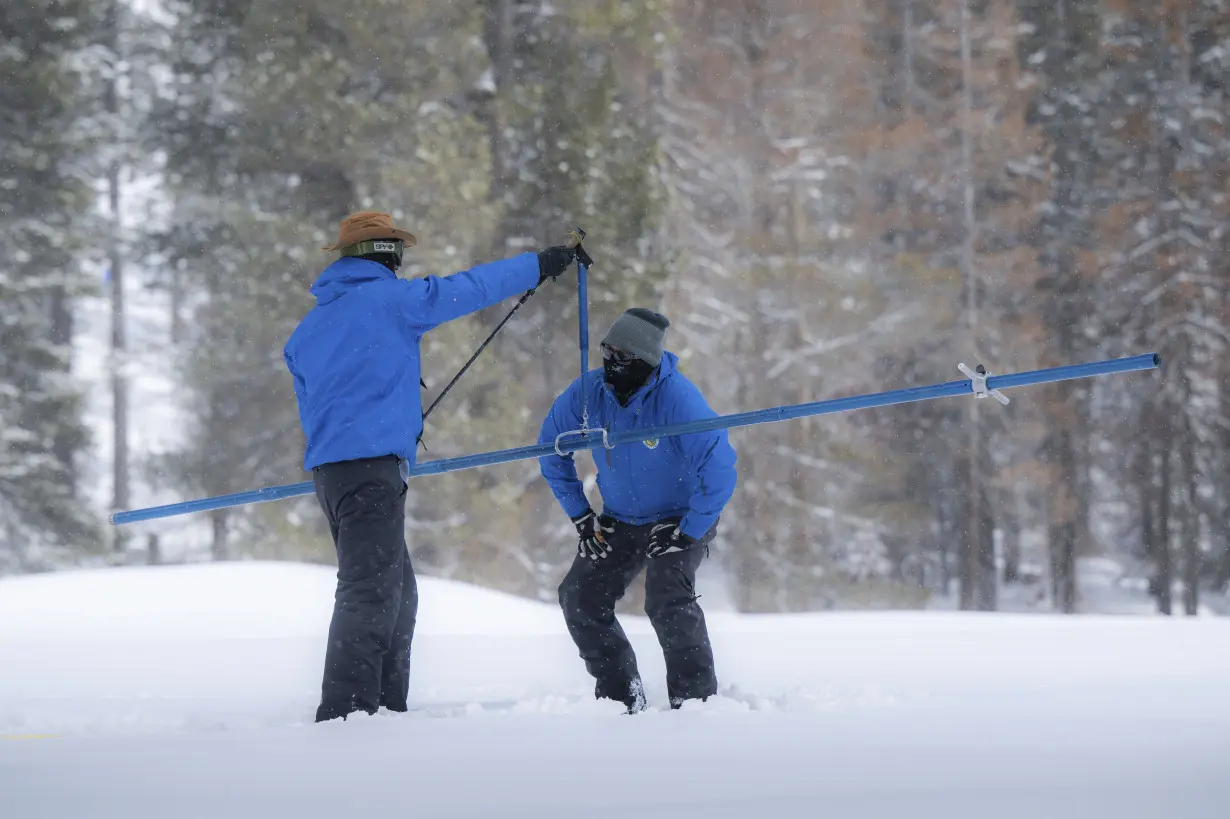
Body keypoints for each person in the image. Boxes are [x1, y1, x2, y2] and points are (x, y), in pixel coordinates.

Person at [284, 210, 581, 723]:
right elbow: (471, 288)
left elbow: (314, 401)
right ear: (387, 253)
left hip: (332, 476)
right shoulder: (394, 301)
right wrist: (541, 264)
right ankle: (349, 713)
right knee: (370, 589)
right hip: (371, 470)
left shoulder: (308, 330)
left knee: (397, 592)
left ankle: (384, 707)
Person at [537, 308, 738, 713]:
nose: (610, 363)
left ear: (646, 361)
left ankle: (696, 703)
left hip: (678, 517)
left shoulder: (679, 399)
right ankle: (619, 698)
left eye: (623, 357)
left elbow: (720, 470)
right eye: (606, 351)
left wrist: (688, 531)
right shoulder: (589, 393)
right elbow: (549, 449)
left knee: (666, 597)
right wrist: (580, 514)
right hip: (621, 517)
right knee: (579, 597)